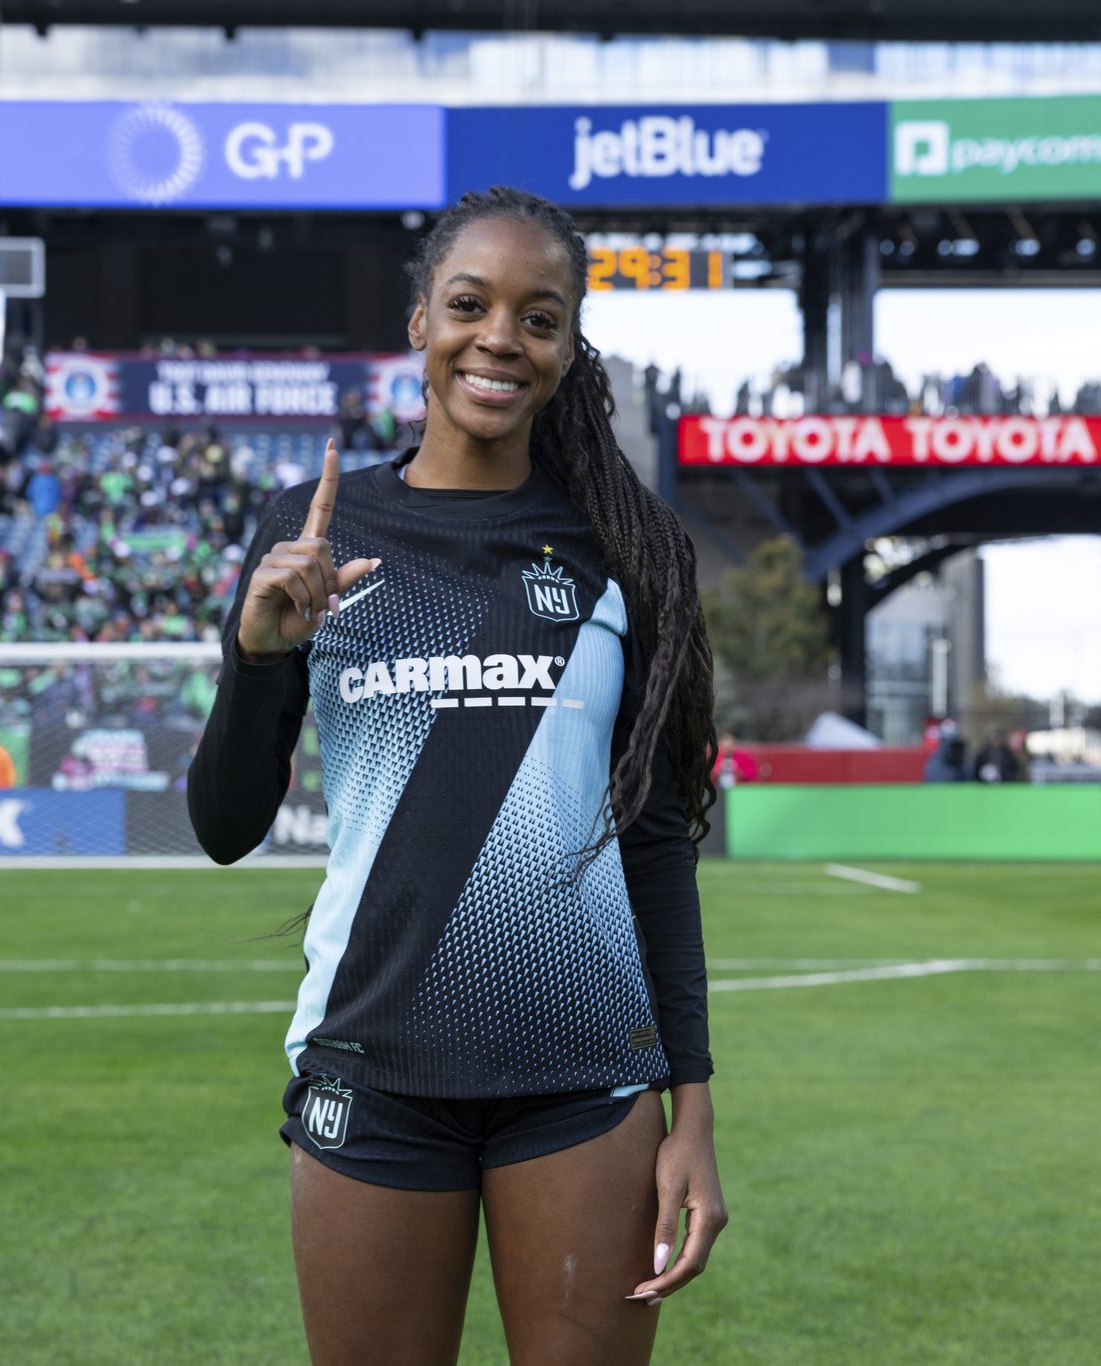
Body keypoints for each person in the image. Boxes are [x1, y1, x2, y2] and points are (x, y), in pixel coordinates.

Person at [187, 187, 725, 1366]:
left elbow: (650, 842)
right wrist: (254, 656)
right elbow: (224, 826)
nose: (499, 339)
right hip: (371, 1069)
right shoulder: (314, 533)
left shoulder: (621, 551)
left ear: (569, 347)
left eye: (539, 318)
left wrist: (692, 1108)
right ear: (421, 316)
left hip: (583, 1081)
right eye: (470, 305)